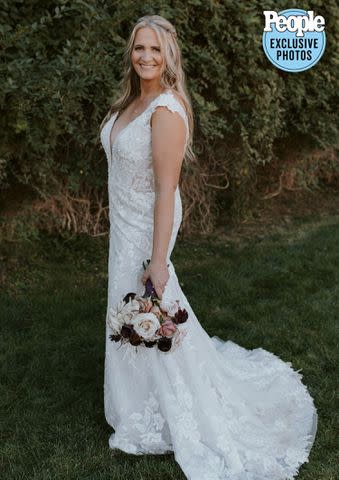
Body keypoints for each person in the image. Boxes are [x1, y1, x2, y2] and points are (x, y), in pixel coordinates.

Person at [99, 14, 318, 480]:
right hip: (125, 226)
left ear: (169, 54)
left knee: (151, 310)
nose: (146, 56)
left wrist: (158, 260)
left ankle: (166, 411)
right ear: (130, 52)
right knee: (128, 313)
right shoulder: (130, 102)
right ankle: (135, 406)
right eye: (140, 47)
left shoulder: (165, 110)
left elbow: (166, 190)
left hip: (146, 230)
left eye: (155, 49)